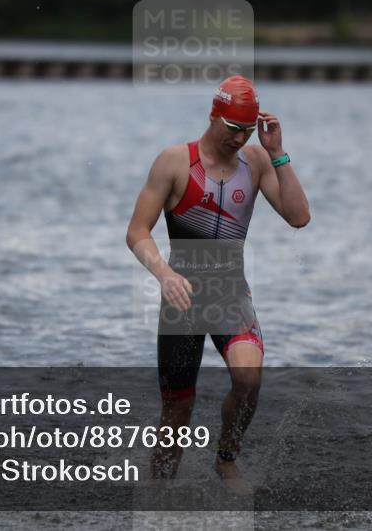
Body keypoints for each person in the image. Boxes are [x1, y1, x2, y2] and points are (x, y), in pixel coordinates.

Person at [126, 75, 310, 482]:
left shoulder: (257, 162)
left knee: (249, 378)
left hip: (231, 295)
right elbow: (137, 231)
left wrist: (278, 152)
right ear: (213, 116)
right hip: (183, 299)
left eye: (247, 132)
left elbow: (299, 217)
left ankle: (226, 456)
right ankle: (159, 498)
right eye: (232, 129)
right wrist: (163, 273)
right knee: (176, 414)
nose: (239, 139)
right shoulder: (175, 162)